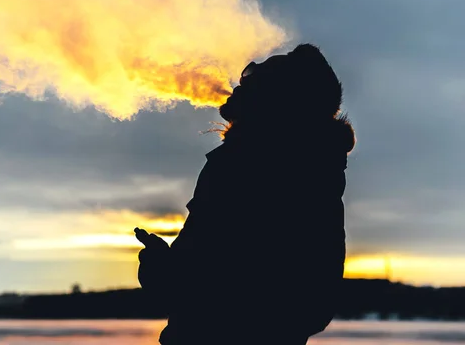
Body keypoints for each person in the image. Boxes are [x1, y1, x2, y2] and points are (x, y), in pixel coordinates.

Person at [135, 43, 356, 344]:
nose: (240, 82)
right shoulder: (312, 175)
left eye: (253, 77)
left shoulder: (243, 170)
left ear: (275, 100)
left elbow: (192, 287)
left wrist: (159, 267)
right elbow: (311, 305)